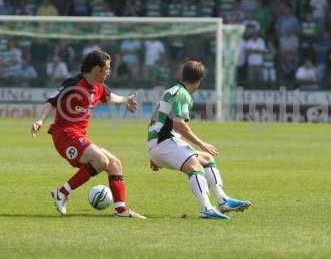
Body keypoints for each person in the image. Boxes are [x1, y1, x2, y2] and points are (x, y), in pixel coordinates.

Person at [31, 50, 145, 219]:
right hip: (64, 135)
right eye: (106, 68)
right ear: (96, 69)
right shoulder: (74, 84)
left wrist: (125, 100)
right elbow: (52, 100)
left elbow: (109, 96)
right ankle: (61, 193)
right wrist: (40, 120)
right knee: (101, 160)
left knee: (115, 164)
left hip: (79, 136)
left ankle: (121, 210)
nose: (109, 72)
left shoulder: (98, 87)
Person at [147, 59, 251, 220]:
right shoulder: (183, 95)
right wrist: (201, 143)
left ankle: (223, 200)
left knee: (206, 158)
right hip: (164, 143)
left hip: (160, 144)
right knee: (194, 165)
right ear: (200, 80)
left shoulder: (172, 90)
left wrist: (154, 153)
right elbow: (179, 124)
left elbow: (154, 120)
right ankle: (207, 208)